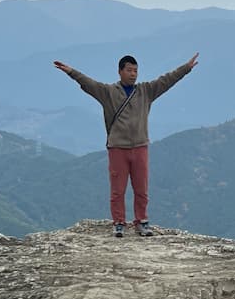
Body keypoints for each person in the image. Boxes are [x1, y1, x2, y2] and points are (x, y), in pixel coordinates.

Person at [53, 52, 199, 237]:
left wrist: (186, 68)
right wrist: (71, 71)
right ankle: (119, 223)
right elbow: (88, 83)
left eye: (136, 71)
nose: (133, 74)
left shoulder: (146, 91)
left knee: (141, 189)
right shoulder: (108, 93)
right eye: (129, 70)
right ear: (120, 71)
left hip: (140, 147)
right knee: (117, 190)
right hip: (117, 148)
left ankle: (141, 221)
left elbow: (167, 80)